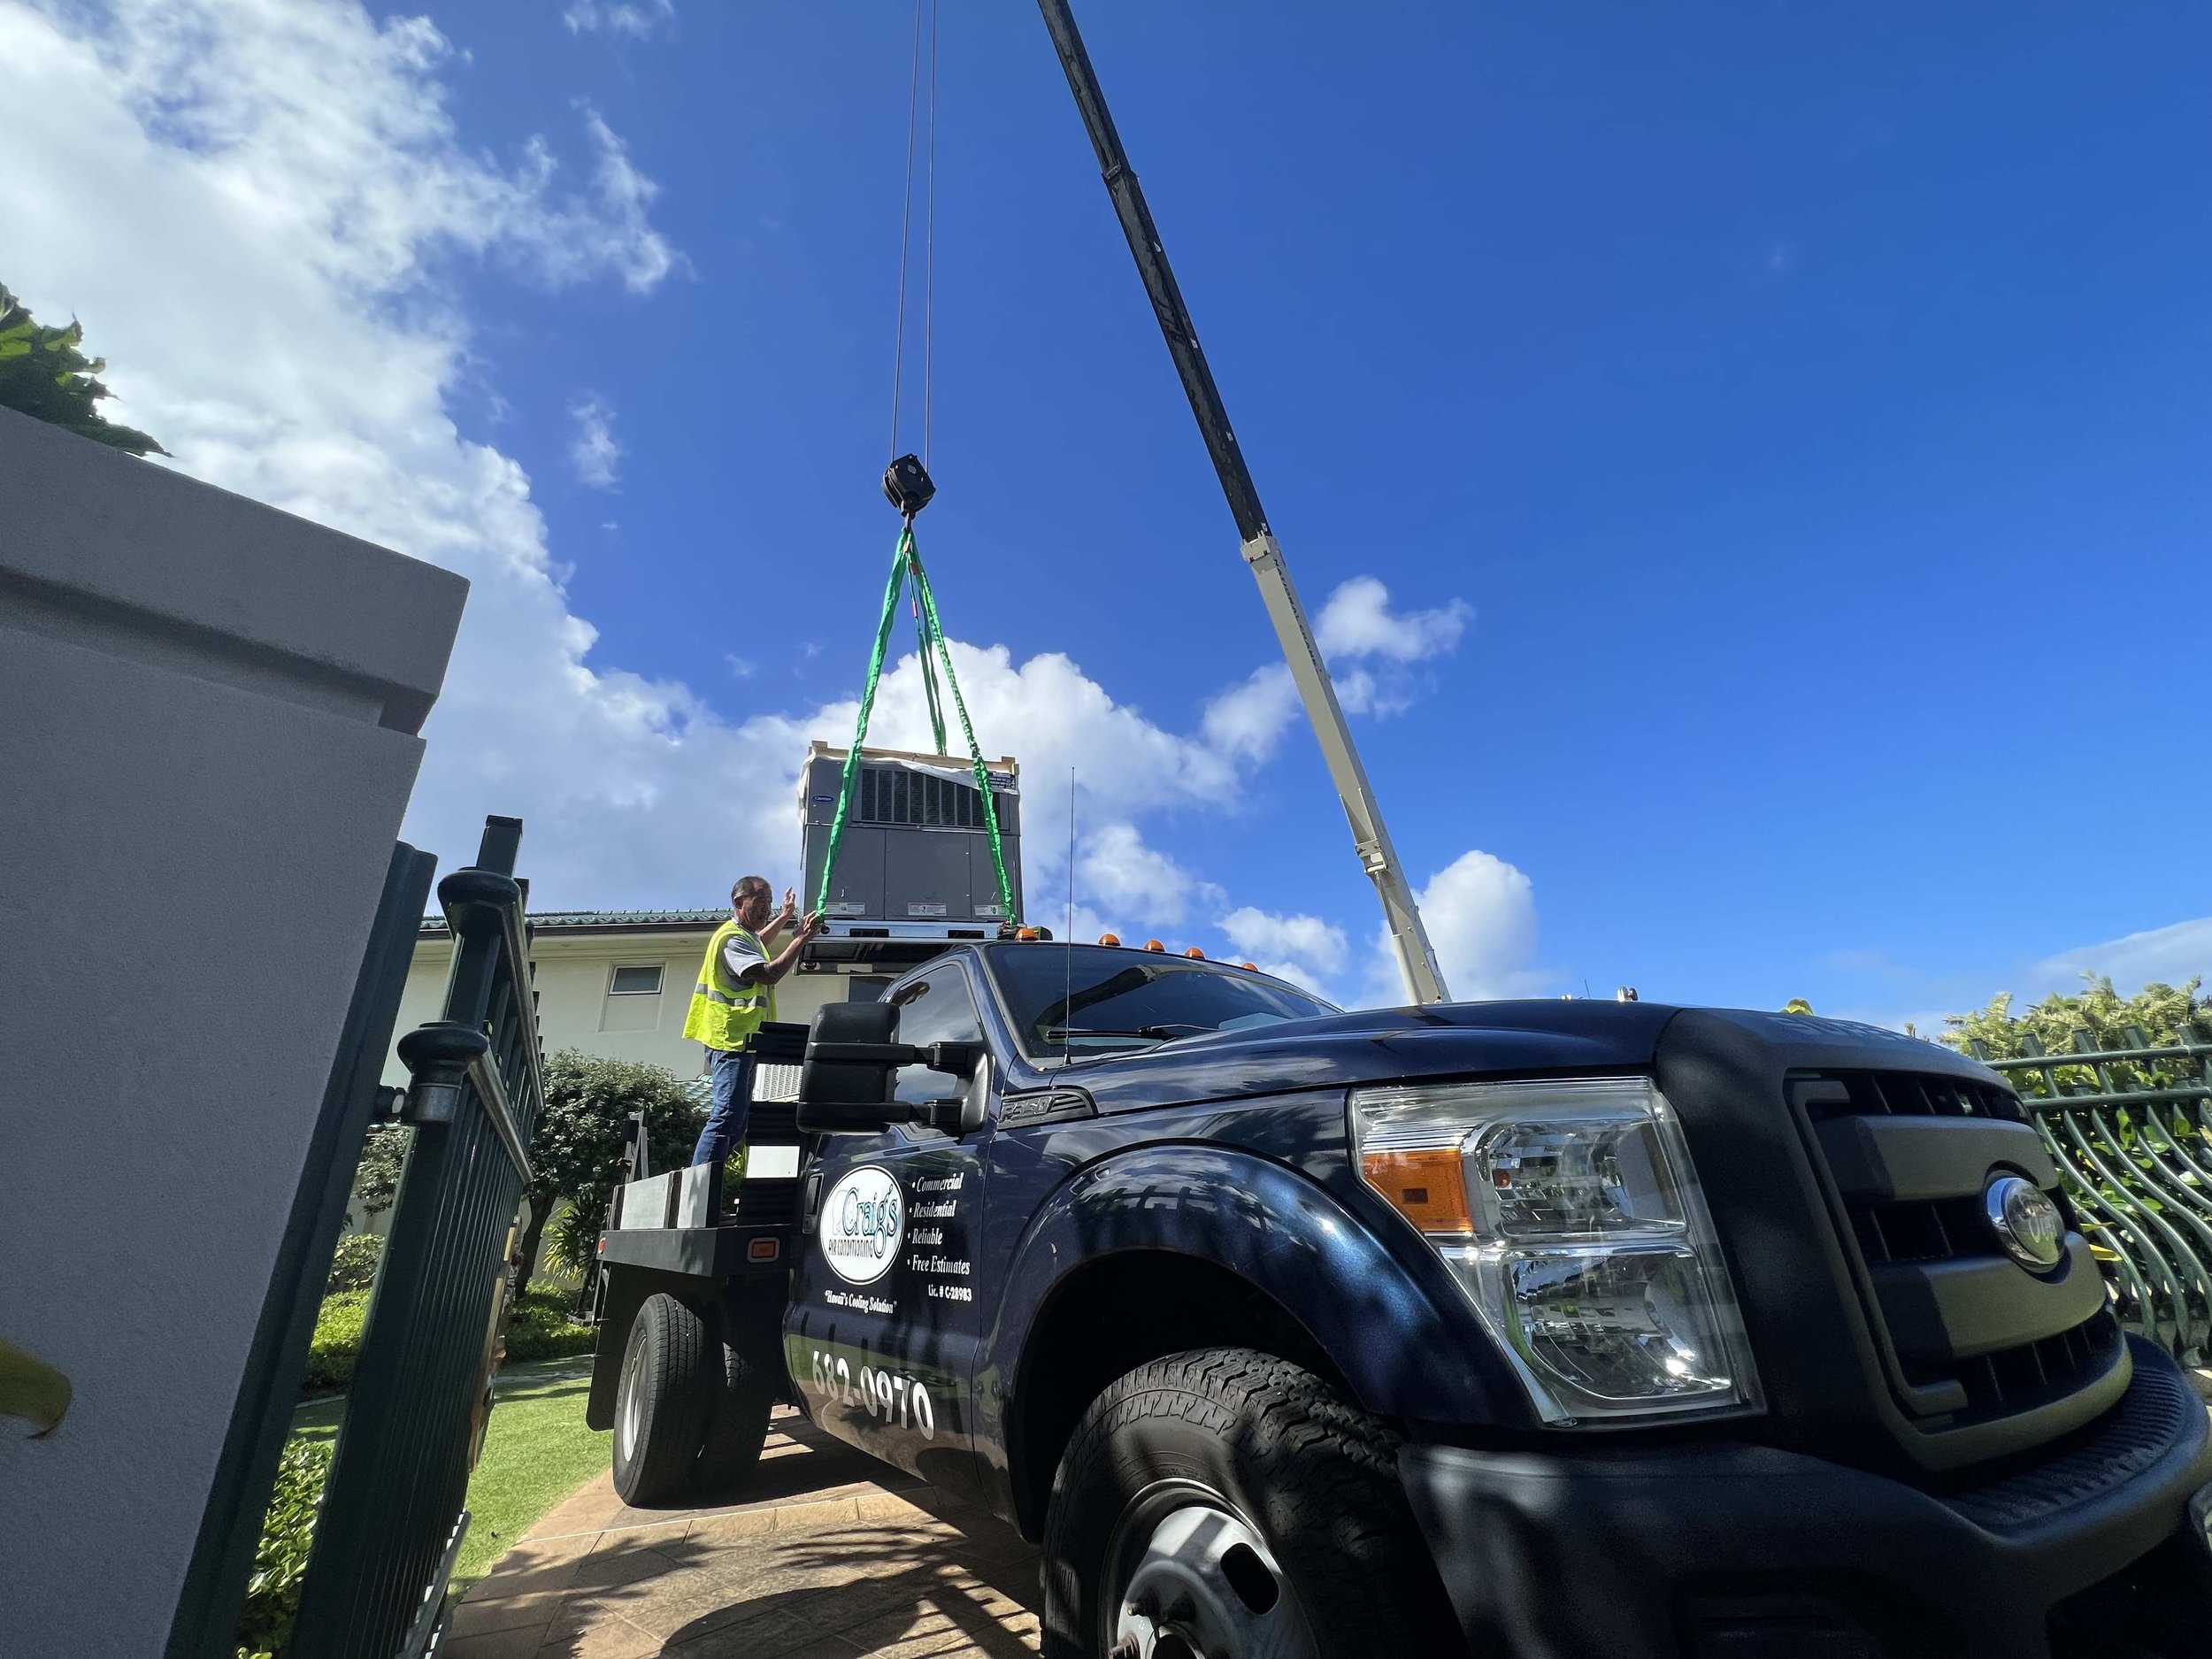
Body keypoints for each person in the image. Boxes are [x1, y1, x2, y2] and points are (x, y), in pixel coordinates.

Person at [685, 875, 824, 1170]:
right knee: (727, 1115)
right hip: (731, 1039)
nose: (766, 909)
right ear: (739, 902)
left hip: (745, 1041)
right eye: (760, 902)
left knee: (737, 1121)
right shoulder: (731, 939)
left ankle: (710, 1181)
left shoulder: (746, 936)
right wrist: (800, 938)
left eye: (770, 903)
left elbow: (761, 941)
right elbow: (769, 973)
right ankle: (699, 1184)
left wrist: (786, 917)